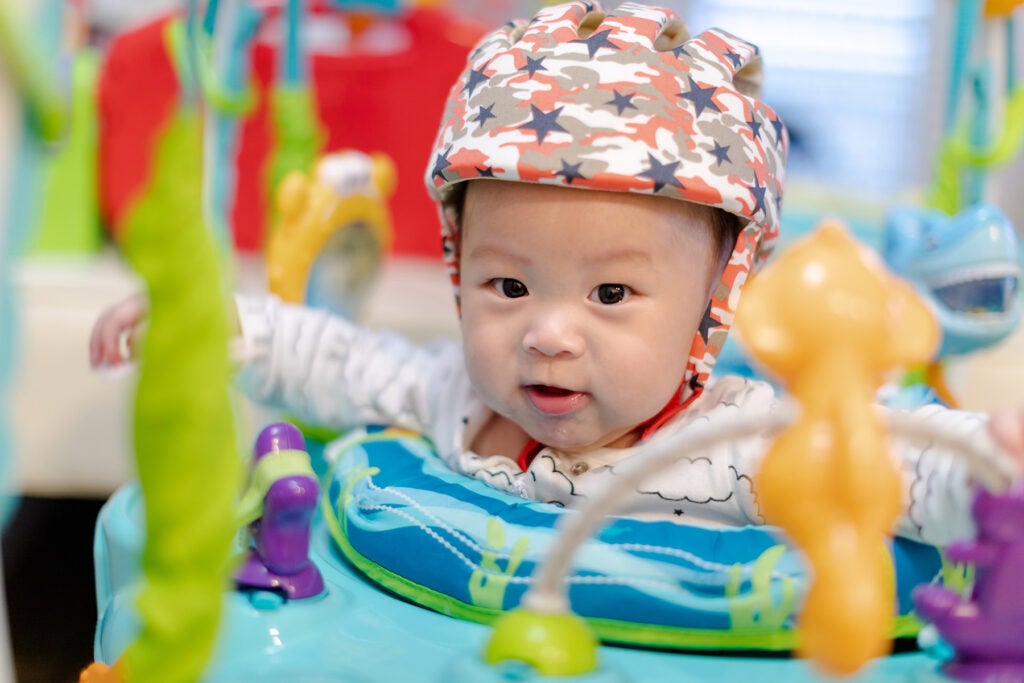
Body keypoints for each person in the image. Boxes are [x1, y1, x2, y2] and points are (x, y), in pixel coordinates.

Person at [90, 1, 1012, 546]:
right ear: (458, 268)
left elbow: (885, 457)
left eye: (610, 294)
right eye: (508, 286)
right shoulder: (451, 392)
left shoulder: (740, 446)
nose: (549, 332)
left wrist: (989, 470)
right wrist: (213, 323)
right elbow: (333, 357)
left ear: (712, 301)